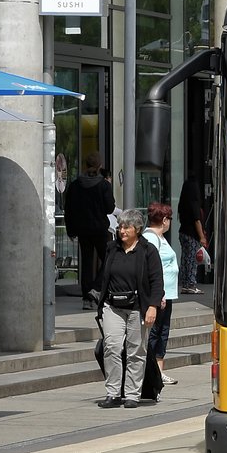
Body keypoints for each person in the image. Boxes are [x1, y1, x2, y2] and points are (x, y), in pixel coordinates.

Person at [94, 208, 162, 408]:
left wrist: (153, 307)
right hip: (113, 306)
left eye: (126, 227)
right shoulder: (111, 249)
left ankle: (132, 394)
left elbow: (157, 281)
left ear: (137, 229)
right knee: (112, 348)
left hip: (137, 308)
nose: (122, 231)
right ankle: (113, 393)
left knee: (136, 351)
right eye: (120, 227)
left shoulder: (148, 251)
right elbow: (105, 276)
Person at [64, 151, 116, 310]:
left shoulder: (75, 185)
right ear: (100, 166)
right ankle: (97, 288)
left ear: (85, 166)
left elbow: (69, 209)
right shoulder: (104, 185)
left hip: (82, 230)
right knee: (110, 257)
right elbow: (110, 208)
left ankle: (87, 298)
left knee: (86, 262)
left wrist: (71, 230)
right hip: (100, 228)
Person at [142, 202, 180, 385]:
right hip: (160, 295)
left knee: (162, 332)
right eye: (169, 219)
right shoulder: (151, 239)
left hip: (168, 294)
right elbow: (151, 269)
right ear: (164, 220)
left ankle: (159, 371)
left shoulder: (160, 237)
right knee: (155, 332)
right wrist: (159, 295)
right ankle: (150, 372)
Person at [177, 177, 209, 295]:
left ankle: (185, 283)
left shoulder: (183, 203)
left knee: (185, 259)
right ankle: (191, 284)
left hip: (183, 232)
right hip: (192, 234)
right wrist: (202, 237)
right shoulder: (194, 203)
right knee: (192, 260)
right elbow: (197, 220)